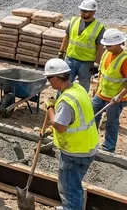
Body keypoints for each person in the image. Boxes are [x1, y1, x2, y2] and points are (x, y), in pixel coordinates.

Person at [42, 58, 99, 210]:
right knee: (75, 184)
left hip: (75, 152)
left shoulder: (66, 101)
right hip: (88, 147)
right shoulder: (78, 89)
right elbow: (74, 121)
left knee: (69, 189)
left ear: (56, 78)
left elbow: (59, 126)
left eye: (49, 78)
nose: (49, 82)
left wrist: (49, 107)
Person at [91, 29, 127, 153]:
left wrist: (119, 96)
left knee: (111, 123)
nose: (106, 47)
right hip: (101, 94)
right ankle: (90, 141)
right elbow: (103, 71)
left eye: (109, 45)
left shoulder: (124, 60)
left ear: (118, 44)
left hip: (115, 99)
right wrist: (97, 85)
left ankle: (108, 148)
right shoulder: (107, 52)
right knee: (91, 117)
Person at [59, 0, 105, 93]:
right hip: (70, 58)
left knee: (83, 86)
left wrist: (96, 64)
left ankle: (80, 105)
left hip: (86, 63)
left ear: (93, 12)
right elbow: (67, 37)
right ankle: (59, 102)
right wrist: (61, 51)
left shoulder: (99, 27)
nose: (82, 13)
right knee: (63, 83)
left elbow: (100, 47)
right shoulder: (74, 20)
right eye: (81, 10)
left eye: (85, 11)